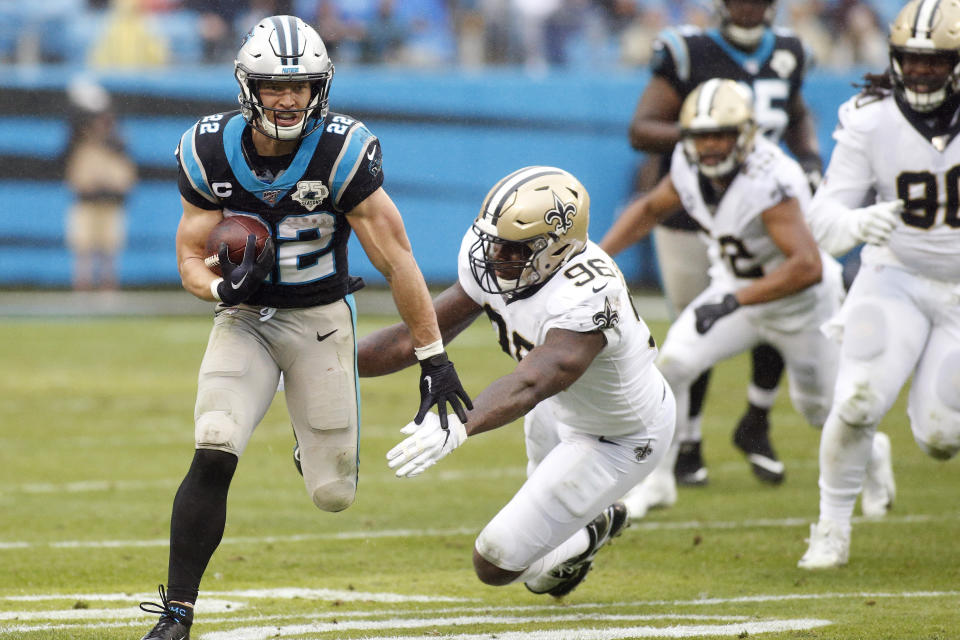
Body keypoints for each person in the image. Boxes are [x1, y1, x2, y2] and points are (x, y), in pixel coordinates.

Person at [137, 16, 470, 640]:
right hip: (245, 320)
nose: (289, 99)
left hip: (319, 320)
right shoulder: (207, 149)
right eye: (274, 86)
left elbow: (396, 257)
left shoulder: (341, 150)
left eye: (302, 85)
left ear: (321, 86)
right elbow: (189, 257)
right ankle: (177, 611)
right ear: (247, 88)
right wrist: (220, 286)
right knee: (215, 443)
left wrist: (434, 357)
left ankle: (308, 439)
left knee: (333, 494)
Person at [358, 166, 676, 597]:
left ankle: (593, 529)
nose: (495, 257)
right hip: (558, 408)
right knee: (542, 561)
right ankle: (578, 537)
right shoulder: (500, 258)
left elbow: (534, 381)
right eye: (494, 243)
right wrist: (318, 364)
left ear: (555, 248)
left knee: (496, 562)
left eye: (512, 249)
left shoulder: (590, 292)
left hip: (619, 436)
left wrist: (460, 424)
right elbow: (414, 336)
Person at [601, 78, 844, 519]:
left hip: (799, 305)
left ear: (745, 134)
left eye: (720, 134)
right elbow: (650, 208)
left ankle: (876, 454)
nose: (710, 146)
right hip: (734, 289)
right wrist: (597, 256)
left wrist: (736, 301)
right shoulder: (689, 165)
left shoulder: (770, 180)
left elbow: (807, 265)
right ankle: (657, 481)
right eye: (700, 135)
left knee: (821, 411)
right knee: (671, 366)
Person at [625, 0, 822, 488]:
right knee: (696, 323)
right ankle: (687, 441)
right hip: (695, 211)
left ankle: (756, 421)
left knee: (777, 301)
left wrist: (811, 156)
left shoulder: (790, 51)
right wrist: (707, 136)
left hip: (763, 206)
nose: (750, 9)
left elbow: (796, 111)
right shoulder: (688, 51)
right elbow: (641, 129)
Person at [798, 0, 960, 570]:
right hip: (895, 275)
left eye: (933, 61)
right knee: (857, 400)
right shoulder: (870, 115)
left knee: (941, 437)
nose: (918, 71)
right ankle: (831, 529)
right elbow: (824, 218)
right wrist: (855, 224)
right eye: (909, 59)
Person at [63, 81, 137, 291]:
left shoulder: (117, 148)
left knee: (109, 250)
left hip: (109, 203)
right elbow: (77, 179)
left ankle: (107, 287)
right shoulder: (83, 147)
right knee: (83, 249)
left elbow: (126, 180)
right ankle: (83, 287)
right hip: (87, 203)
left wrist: (108, 183)